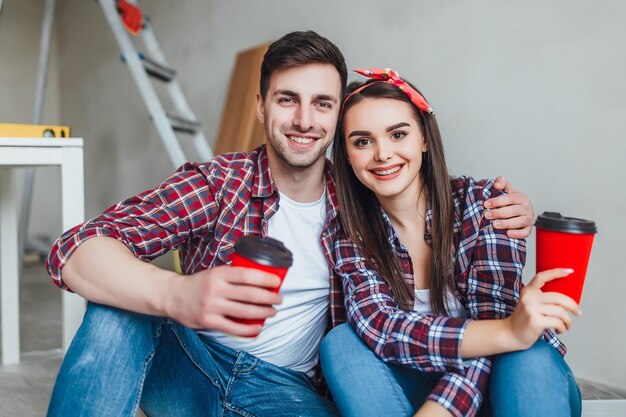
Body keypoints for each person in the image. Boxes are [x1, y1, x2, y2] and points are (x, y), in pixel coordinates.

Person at [44, 33, 534, 417]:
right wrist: (175, 295)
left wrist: (505, 204)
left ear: (339, 114)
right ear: (260, 106)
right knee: (118, 305)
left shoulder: (365, 194)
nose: (304, 120)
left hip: (289, 393)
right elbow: (76, 247)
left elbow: (428, 187)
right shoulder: (219, 184)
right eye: (286, 100)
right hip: (189, 368)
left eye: (322, 103)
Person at [319, 68, 582, 417]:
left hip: (513, 381)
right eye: (362, 141)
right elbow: (382, 328)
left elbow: (503, 332)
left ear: (424, 139)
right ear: (347, 155)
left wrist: (442, 410)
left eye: (398, 134)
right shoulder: (347, 233)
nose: (382, 154)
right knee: (341, 343)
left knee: (525, 352)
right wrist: (506, 331)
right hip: (420, 385)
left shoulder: (485, 203)